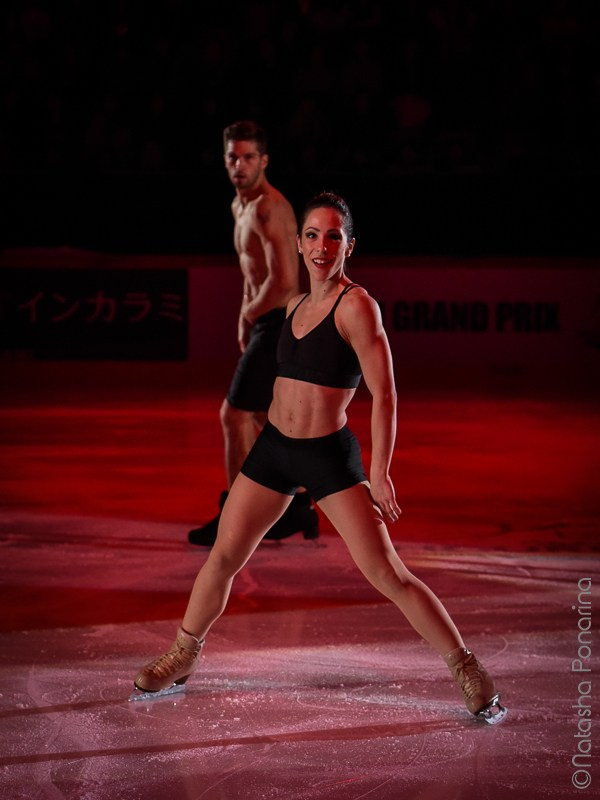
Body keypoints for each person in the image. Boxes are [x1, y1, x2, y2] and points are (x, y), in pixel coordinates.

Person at [134, 192, 507, 724]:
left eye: (333, 235)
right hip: (274, 452)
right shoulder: (292, 307)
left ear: (349, 245)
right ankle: (184, 654)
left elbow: (387, 394)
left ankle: (468, 668)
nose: (321, 245)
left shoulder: (357, 306)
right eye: (312, 234)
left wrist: (379, 472)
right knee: (224, 555)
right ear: (299, 242)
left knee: (387, 572)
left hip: (327, 458)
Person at [188, 121, 318, 545]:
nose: (239, 165)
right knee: (266, 418)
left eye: (248, 157)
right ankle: (298, 509)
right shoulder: (238, 206)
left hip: (280, 320)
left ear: (264, 161)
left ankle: (235, 522)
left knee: (234, 416)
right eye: (232, 157)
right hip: (264, 319)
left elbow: (283, 281)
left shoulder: (270, 207)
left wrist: (247, 315)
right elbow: (251, 274)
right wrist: (243, 319)